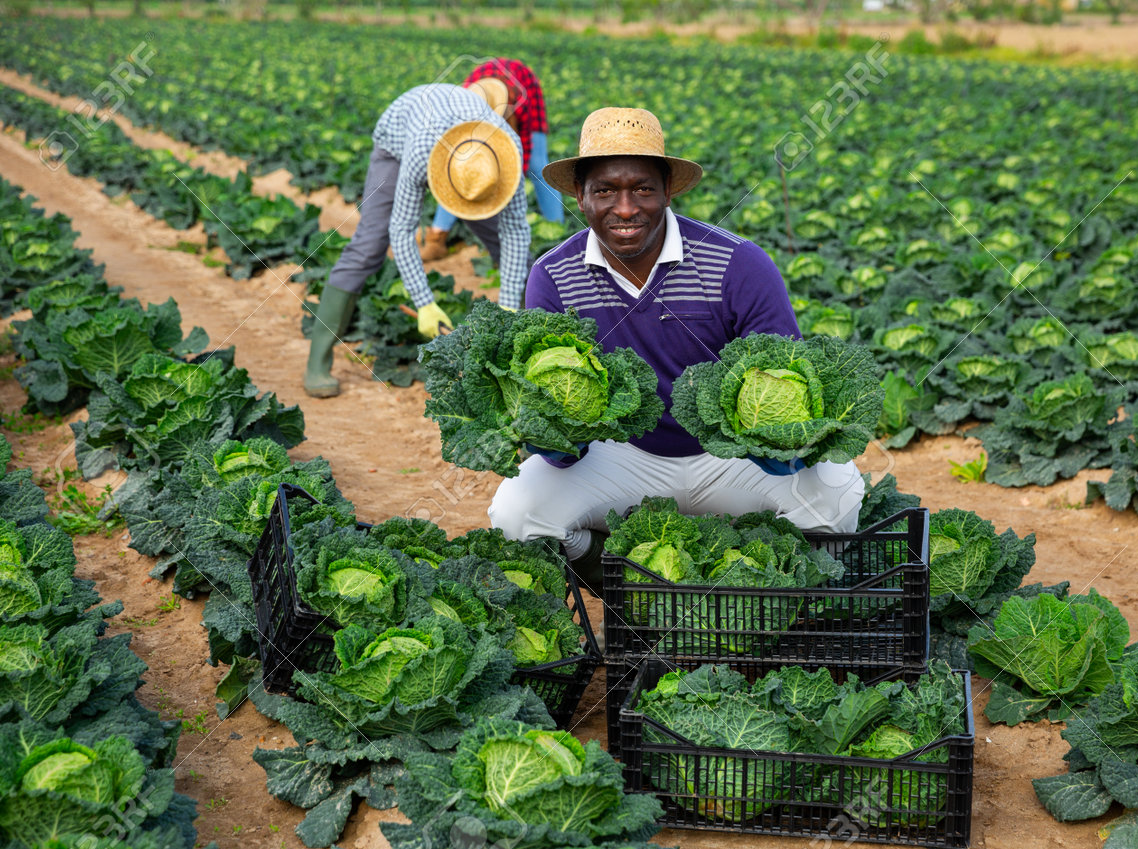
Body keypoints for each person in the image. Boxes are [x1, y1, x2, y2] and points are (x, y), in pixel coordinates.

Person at [488, 107, 864, 587]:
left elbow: (785, 368)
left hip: (731, 460)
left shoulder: (738, 263)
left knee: (837, 496)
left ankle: (763, 582)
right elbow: (539, 385)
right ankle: (616, 578)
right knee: (516, 513)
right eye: (604, 190)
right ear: (580, 198)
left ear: (668, 191)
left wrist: (781, 444)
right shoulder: (554, 275)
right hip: (620, 456)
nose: (625, 208)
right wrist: (556, 438)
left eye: (642, 188)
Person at [304, 80, 530, 399]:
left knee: (500, 238)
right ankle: (317, 361)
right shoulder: (420, 149)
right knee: (369, 245)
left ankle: (522, 340)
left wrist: (508, 303)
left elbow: (517, 231)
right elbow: (402, 230)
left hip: (463, 149)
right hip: (397, 142)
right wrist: (425, 303)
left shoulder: (508, 149)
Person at [420, 58, 564, 261]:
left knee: (537, 165)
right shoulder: (464, 105)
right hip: (483, 86)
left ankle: (559, 235)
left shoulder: (520, 104)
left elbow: (519, 163)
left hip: (524, 88)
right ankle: (437, 237)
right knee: (460, 166)